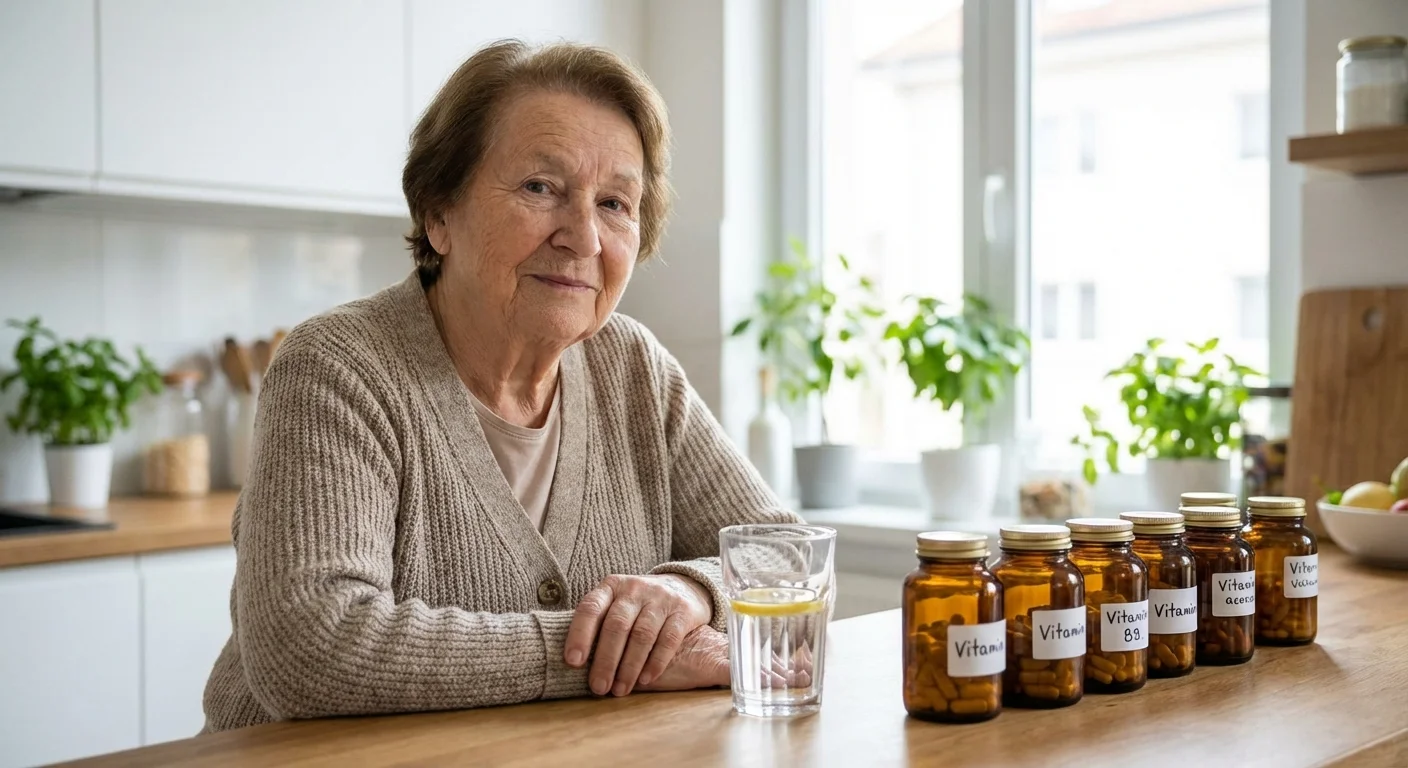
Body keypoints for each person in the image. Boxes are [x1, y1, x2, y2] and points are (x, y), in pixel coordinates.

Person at [200, 39, 801, 732]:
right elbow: (311, 648)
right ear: (438, 213)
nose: (582, 236)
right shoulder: (337, 366)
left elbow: (785, 555)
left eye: (615, 203)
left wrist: (690, 592)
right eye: (540, 188)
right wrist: (599, 656)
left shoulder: (633, 368)